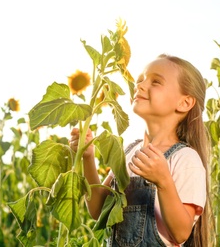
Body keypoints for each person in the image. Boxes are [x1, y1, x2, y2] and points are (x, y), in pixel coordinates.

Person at [70, 54, 212, 246]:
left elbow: (180, 233)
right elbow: (98, 211)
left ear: (184, 103)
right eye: (140, 80)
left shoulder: (185, 159)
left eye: (156, 82)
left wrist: (163, 182)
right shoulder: (129, 152)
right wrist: (88, 158)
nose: (141, 85)